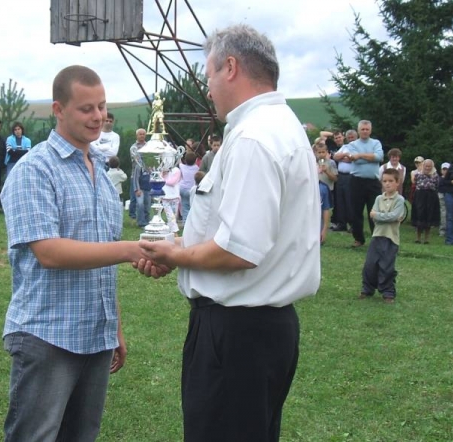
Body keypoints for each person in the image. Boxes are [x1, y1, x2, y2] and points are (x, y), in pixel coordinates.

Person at [136, 24, 320, 442]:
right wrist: (176, 247)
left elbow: (239, 250)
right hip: (257, 331)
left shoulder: (254, 138)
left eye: (209, 76)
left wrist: (175, 255)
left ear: (231, 68)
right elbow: (236, 233)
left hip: (236, 335)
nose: (207, 89)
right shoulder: (278, 125)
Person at [0, 65, 168, 442]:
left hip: (96, 335)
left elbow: (102, 261)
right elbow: (49, 252)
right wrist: (131, 249)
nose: (98, 117)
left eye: (102, 107)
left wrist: (115, 326)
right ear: (58, 110)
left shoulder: (102, 177)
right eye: (86, 108)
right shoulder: (34, 170)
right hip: (48, 334)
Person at [358, 168, 405, 304]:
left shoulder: (399, 200)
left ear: (397, 183)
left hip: (391, 238)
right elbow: (373, 216)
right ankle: (367, 289)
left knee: (387, 266)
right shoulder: (379, 198)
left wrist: (379, 215)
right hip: (377, 235)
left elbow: (394, 216)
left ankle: (388, 292)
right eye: (384, 181)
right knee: (370, 264)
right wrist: (384, 216)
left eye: (390, 181)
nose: (387, 184)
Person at [347, 120, 384, 248]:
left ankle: (376, 239)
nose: (365, 131)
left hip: (373, 182)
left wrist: (360, 155)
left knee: (374, 211)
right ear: (358, 130)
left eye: (367, 129)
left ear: (370, 130)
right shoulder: (352, 144)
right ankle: (358, 239)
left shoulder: (376, 143)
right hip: (357, 181)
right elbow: (355, 160)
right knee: (356, 211)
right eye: (362, 129)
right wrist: (370, 158)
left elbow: (379, 157)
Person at [411, 159, 440, 244]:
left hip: (431, 197)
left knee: (429, 216)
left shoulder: (435, 175)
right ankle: (418, 238)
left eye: (429, 166)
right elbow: (415, 183)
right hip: (420, 196)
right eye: (426, 166)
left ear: (432, 167)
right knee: (419, 215)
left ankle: (426, 239)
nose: (427, 168)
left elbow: (437, 185)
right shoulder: (418, 174)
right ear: (423, 166)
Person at [332, 132, 356, 232]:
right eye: (349, 137)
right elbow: (335, 157)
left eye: (352, 137)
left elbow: (352, 159)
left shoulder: (357, 147)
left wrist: (342, 158)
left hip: (351, 176)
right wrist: (345, 155)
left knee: (349, 200)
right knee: (340, 200)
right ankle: (342, 224)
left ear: (356, 137)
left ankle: (353, 224)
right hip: (341, 175)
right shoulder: (345, 147)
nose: (350, 139)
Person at [129, 128, 147, 219]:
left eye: (143, 134)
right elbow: (137, 159)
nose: (142, 136)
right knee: (134, 196)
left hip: (146, 174)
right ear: (137, 135)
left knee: (146, 198)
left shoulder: (148, 146)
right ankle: (132, 215)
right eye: (140, 134)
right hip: (135, 174)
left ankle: (145, 216)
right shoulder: (134, 147)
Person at [133, 151, 152, 228]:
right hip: (140, 189)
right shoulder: (139, 166)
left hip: (148, 188)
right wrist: (137, 189)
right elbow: (135, 178)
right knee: (140, 205)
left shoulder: (151, 165)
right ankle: (141, 222)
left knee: (147, 206)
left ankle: (147, 221)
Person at [179, 151, 199, 222]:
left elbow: (179, 161)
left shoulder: (182, 166)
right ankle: (192, 222)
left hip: (182, 189)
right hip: (192, 189)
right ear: (195, 160)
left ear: (185, 160)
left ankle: (185, 222)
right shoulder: (197, 168)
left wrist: (180, 156)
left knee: (185, 207)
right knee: (192, 207)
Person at [161, 164, 181, 234]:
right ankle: (174, 231)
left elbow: (173, 182)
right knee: (169, 215)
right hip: (165, 196)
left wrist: (163, 180)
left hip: (174, 196)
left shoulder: (177, 170)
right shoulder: (162, 169)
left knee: (173, 216)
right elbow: (158, 179)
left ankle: (171, 231)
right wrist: (163, 173)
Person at [437, 162, 450, 237]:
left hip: (450, 196)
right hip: (441, 195)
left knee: (450, 214)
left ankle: (450, 230)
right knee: (443, 213)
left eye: (447, 169)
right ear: (441, 170)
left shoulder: (451, 179)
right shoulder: (439, 179)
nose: (445, 171)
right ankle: (442, 230)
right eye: (444, 169)